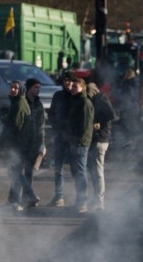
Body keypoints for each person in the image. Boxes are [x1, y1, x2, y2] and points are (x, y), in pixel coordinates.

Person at [12, 78, 47, 210]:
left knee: (29, 173)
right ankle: (17, 199)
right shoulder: (22, 103)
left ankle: (28, 199)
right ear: (29, 88)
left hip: (34, 144)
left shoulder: (39, 105)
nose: (38, 90)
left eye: (39, 87)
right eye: (36, 87)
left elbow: (42, 126)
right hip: (21, 144)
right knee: (16, 171)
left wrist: (42, 144)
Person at [65, 75, 94, 214]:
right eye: (72, 86)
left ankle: (83, 202)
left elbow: (85, 125)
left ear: (83, 88)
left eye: (75, 86)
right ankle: (79, 201)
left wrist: (79, 141)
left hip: (80, 143)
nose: (72, 88)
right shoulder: (76, 101)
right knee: (76, 172)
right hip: (74, 141)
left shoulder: (84, 102)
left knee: (81, 172)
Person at [86, 82, 116, 211]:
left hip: (101, 138)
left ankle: (99, 200)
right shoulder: (97, 98)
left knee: (97, 170)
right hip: (97, 138)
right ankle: (97, 197)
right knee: (94, 170)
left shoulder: (101, 98)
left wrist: (99, 122)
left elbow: (111, 114)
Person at [47, 71, 76, 207]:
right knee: (58, 168)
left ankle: (79, 198)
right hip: (59, 135)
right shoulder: (58, 95)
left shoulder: (77, 95)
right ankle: (59, 197)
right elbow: (51, 112)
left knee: (76, 168)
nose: (67, 83)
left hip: (73, 137)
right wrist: (55, 124)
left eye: (70, 80)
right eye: (65, 80)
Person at [0, 80, 27, 208]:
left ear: (21, 90)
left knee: (16, 173)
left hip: (17, 145)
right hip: (16, 144)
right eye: (11, 87)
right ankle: (13, 199)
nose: (13, 90)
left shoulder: (19, 104)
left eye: (16, 88)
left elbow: (15, 126)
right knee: (14, 173)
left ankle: (17, 200)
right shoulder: (16, 102)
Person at [115, 68, 141, 145]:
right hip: (133, 106)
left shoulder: (127, 83)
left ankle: (130, 139)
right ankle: (132, 139)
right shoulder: (135, 83)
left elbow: (127, 94)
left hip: (128, 106)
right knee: (130, 123)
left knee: (125, 122)